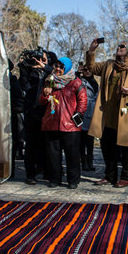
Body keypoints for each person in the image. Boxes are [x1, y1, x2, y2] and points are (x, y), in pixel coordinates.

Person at [85, 39, 128, 188]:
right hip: (108, 114)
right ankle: (110, 176)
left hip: (126, 114)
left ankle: (126, 177)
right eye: (118, 45)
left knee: (127, 147)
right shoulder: (109, 64)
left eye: (123, 46)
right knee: (107, 146)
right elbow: (92, 67)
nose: (119, 48)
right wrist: (91, 51)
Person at [39, 57, 87, 189]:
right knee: (53, 156)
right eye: (57, 66)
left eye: (61, 67)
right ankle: (54, 179)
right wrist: (44, 94)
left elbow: (83, 100)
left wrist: (76, 116)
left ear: (67, 68)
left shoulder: (75, 82)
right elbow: (42, 101)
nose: (58, 69)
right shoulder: (49, 81)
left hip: (70, 125)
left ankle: (73, 180)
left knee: (72, 155)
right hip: (52, 123)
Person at [18, 49, 53, 185]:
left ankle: (45, 171)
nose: (39, 61)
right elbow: (24, 85)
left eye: (43, 59)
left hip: (46, 111)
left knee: (45, 143)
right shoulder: (28, 69)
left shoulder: (49, 72)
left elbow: (58, 75)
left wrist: (45, 68)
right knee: (31, 144)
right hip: (31, 111)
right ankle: (30, 174)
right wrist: (25, 68)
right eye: (37, 58)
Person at [78, 63, 98, 171]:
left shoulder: (95, 83)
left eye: (89, 69)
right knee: (82, 140)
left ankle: (90, 161)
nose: (87, 71)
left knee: (90, 140)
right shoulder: (80, 81)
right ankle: (83, 161)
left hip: (92, 112)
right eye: (85, 70)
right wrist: (78, 73)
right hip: (83, 112)